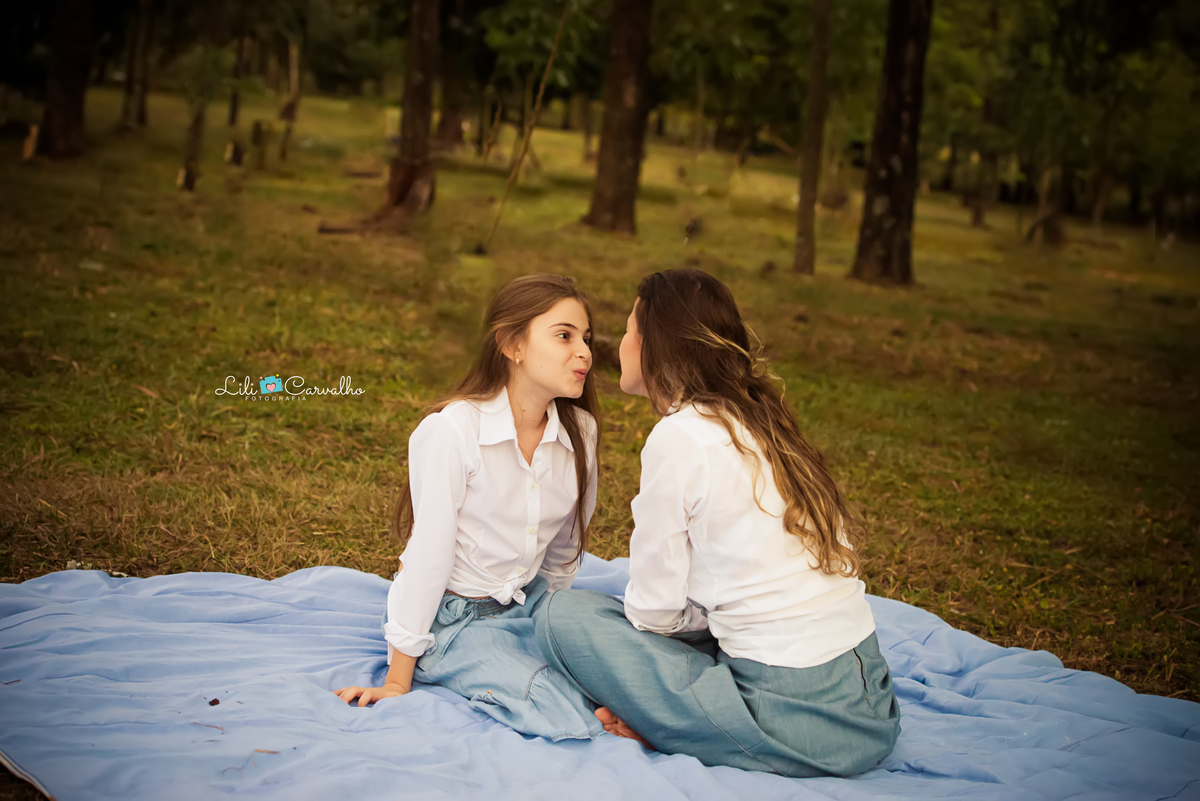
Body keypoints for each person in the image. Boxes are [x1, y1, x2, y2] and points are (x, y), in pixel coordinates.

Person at [534, 268, 901, 776]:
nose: (615, 345)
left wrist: (682, 629)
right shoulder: (763, 418)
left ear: (656, 346)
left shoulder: (679, 437)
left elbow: (652, 615)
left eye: (627, 331)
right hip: (872, 702)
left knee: (561, 618)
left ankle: (679, 724)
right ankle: (689, 710)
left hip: (797, 722)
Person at [334, 273, 605, 742]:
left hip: (529, 600)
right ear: (512, 344)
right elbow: (428, 555)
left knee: (621, 668)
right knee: (555, 703)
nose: (583, 351)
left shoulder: (580, 431)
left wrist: (561, 622)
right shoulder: (452, 431)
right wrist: (398, 678)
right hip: (452, 619)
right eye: (564, 335)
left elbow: (566, 547)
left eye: (586, 338)